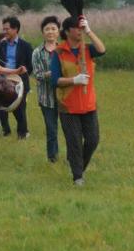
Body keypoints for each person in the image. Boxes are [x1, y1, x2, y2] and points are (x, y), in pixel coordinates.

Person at [51, 15, 106, 186]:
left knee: (92, 139)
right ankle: (77, 177)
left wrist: (89, 31)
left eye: (81, 27)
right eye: (77, 28)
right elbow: (55, 80)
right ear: (67, 31)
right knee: (74, 142)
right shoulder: (58, 53)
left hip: (88, 104)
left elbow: (102, 50)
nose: (80, 31)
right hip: (68, 106)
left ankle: (79, 166)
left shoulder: (88, 49)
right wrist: (74, 80)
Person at [0, 16, 34, 139]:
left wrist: (24, 71)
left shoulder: (26, 46)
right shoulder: (1, 45)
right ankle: (5, 130)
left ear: (15, 29)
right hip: (4, 82)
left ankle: (22, 134)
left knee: (20, 109)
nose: (4, 32)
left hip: (20, 81)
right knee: (2, 107)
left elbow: (31, 66)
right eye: (3, 29)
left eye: (7, 29)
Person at [32, 15, 61, 162]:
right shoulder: (37, 52)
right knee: (51, 130)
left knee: (70, 130)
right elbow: (37, 75)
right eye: (47, 29)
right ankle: (52, 157)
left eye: (53, 29)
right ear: (43, 32)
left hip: (64, 96)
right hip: (46, 97)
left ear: (58, 32)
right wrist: (53, 73)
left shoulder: (63, 50)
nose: (50, 32)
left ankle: (71, 156)